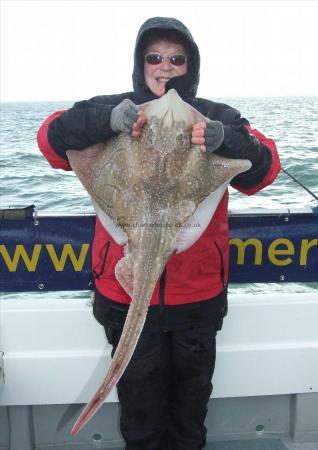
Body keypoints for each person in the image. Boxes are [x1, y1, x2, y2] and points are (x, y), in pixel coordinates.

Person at [37, 16, 281, 450]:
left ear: (191, 65)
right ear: (140, 62)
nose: (164, 67)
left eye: (176, 58)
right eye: (154, 57)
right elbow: (51, 139)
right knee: (142, 417)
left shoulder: (219, 117)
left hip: (197, 300)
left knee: (190, 415)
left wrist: (227, 141)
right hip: (124, 294)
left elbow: (263, 171)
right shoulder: (111, 109)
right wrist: (107, 122)